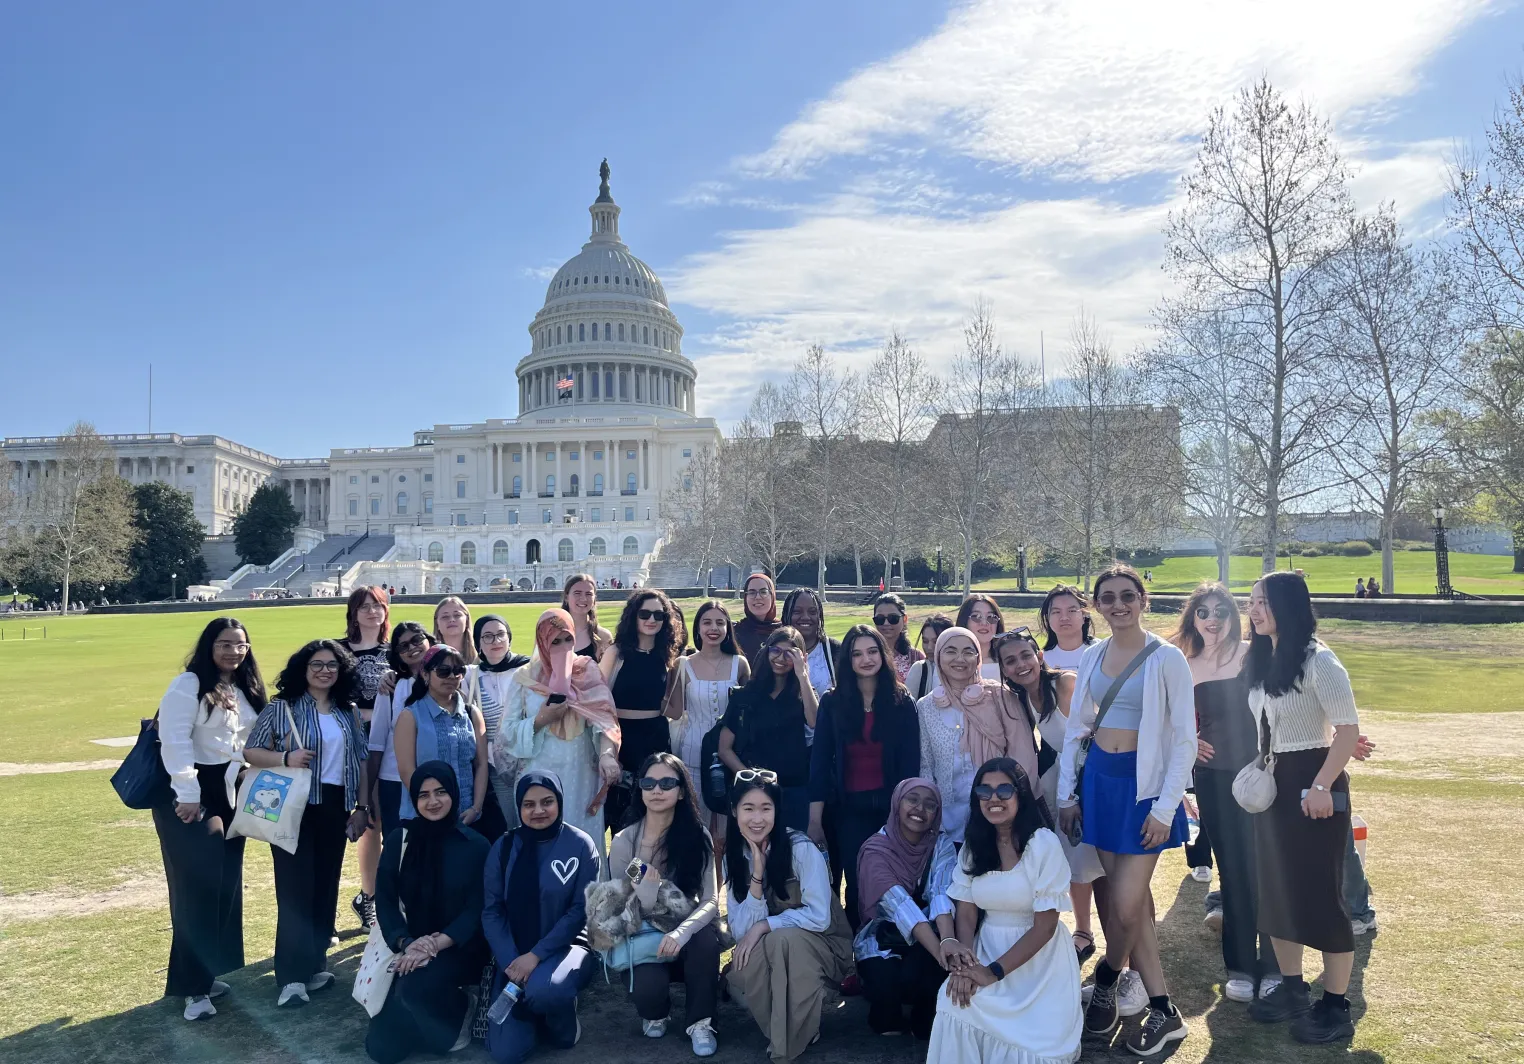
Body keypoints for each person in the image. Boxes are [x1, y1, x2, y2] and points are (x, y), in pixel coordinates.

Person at [1055, 565, 1195, 1054]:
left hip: (1144, 791)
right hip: (1100, 784)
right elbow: (1077, 730)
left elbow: (1184, 741)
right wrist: (1067, 796)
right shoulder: (1094, 655)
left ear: (1143, 600)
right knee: (1123, 904)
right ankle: (1162, 1010)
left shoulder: (1167, 658)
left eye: (1127, 596)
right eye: (1108, 597)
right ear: (1097, 605)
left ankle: (1109, 976)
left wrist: (1164, 808)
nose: (1119, 605)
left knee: (1127, 904)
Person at [1244, 572, 1362, 1044]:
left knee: (1320, 893)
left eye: (1263, 603)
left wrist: (1320, 783)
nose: (1254, 612)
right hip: (1274, 783)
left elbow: (1347, 732)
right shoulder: (1265, 658)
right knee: (1276, 892)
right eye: (1250, 603)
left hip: (1312, 784)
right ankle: (1292, 989)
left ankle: (1335, 1005)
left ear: (1288, 606)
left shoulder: (1320, 660)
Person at [1166, 582, 1281, 1005]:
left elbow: (1287, 702)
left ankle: (1274, 965)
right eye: (1203, 612)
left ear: (1236, 616)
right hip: (1213, 777)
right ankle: (1240, 966)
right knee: (1232, 869)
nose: (1212, 619)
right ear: (1192, 617)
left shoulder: (1256, 652)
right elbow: (1163, 719)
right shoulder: (1182, 662)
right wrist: (1191, 740)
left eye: (1221, 611)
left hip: (1262, 773)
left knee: (1266, 867)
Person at [928, 758, 1082, 1064]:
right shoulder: (974, 845)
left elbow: (1045, 926)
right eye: (984, 791)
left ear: (1021, 795)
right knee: (953, 1002)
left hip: (1040, 965)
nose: (993, 798)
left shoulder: (1043, 844)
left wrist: (992, 972)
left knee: (1037, 1046)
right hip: (986, 949)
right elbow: (967, 912)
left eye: (1004, 790)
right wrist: (965, 966)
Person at [243, 639, 371, 1007]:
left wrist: (361, 807)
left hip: (334, 807)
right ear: (304, 668)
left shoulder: (347, 712)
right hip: (294, 807)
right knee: (295, 890)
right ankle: (291, 977)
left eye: (332, 665)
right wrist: (286, 755)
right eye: (317, 664)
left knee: (324, 887)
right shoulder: (283, 707)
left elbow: (361, 761)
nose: (325, 671)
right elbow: (251, 750)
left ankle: (314, 965)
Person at [153, 618, 266, 1021]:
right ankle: (193, 989)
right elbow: (174, 739)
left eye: (240, 644)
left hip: (231, 790)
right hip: (192, 793)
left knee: (224, 887)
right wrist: (187, 793)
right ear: (209, 646)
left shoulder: (246, 687)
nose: (233, 651)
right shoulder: (188, 684)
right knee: (198, 889)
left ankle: (205, 973)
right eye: (224, 644)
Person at [992, 629, 1107, 967]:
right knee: (1074, 858)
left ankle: (1121, 950)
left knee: (1100, 865)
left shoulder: (1065, 685)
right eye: (1010, 661)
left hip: (1091, 778)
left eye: (1026, 655)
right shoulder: (1021, 699)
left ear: (1039, 657)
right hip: (1061, 778)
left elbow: (1095, 737)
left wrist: (1076, 793)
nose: (1020, 664)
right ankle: (1084, 931)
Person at [724, 772, 854, 1064]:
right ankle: (787, 1030)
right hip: (772, 951)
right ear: (734, 811)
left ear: (777, 811)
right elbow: (740, 931)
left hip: (826, 948)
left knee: (782, 940)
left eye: (766, 809)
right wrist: (757, 873)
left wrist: (764, 925)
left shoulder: (802, 849)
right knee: (761, 951)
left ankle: (789, 1041)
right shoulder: (733, 857)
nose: (757, 818)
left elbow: (820, 918)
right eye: (748, 808)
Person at [365, 762, 490, 1064]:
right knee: (381, 1050)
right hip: (407, 947)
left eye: (440, 792)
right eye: (423, 795)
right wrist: (407, 943)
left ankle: (462, 1006)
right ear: (414, 799)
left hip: (458, 948)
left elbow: (477, 908)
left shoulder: (476, 846)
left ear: (454, 794)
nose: (432, 802)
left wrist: (436, 944)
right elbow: (384, 899)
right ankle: (420, 1014)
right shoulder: (400, 840)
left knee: (418, 994)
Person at [605, 753, 721, 1056]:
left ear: (681, 791)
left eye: (667, 783)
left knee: (705, 942)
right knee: (647, 994)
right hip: (643, 935)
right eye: (649, 783)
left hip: (687, 929)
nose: (657, 790)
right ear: (640, 789)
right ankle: (657, 1012)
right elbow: (621, 908)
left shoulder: (698, 836)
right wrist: (648, 892)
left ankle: (700, 1022)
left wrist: (681, 933)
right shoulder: (623, 843)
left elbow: (710, 900)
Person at [482, 771, 600, 1064]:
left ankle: (560, 1013)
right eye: (528, 804)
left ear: (559, 802)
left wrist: (535, 956)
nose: (538, 811)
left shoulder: (580, 845)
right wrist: (512, 961)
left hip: (566, 947)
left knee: (547, 996)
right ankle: (533, 1012)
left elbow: (579, 911)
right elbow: (492, 910)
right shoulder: (505, 847)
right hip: (514, 955)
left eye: (547, 802)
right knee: (506, 1053)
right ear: (519, 807)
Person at [808, 625, 921, 926]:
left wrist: (905, 816)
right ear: (848, 660)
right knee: (856, 884)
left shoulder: (901, 702)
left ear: (883, 655)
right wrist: (814, 820)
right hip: (848, 810)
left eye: (872, 651)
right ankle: (856, 954)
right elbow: (819, 762)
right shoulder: (832, 703)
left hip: (891, 810)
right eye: (857, 654)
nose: (866, 659)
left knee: (886, 883)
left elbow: (911, 766)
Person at [501, 609, 622, 856]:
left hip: (581, 776)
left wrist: (607, 755)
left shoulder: (587, 671)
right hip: (538, 775)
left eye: (568, 639)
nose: (564, 647)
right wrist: (542, 719)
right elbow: (507, 733)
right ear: (542, 642)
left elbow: (603, 719)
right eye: (555, 641)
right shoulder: (524, 679)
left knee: (581, 843)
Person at [853, 778, 958, 1038]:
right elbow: (900, 906)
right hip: (883, 938)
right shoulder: (875, 850)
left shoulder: (941, 844)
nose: (920, 809)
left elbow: (940, 895)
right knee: (886, 982)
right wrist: (942, 955)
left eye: (930, 804)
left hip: (927, 936)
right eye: (912, 800)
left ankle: (926, 1014)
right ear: (897, 804)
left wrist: (947, 941)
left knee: (929, 974)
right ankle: (885, 1013)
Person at [916, 627, 1040, 845]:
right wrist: (931, 816)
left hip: (999, 814)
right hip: (947, 821)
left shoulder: (1000, 697)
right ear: (938, 655)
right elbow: (926, 765)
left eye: (968, 652)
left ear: (978, 657)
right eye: (951, 651)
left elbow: (1023, 758)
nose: (960, 659)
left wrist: (1012, 806)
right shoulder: (926, 707)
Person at [666, 601, 751, 865]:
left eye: (719, 622)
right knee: (697, 825)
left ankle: (729, 888)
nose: (713, 628)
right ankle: (702, 891)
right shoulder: (684, 665)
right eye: (707, 622)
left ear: (728, 628)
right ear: (698, 628)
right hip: (692, 752)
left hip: (730, 754)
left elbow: (748, 714)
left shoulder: (740, 665)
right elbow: (674, 711)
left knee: (728, 829)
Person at [395, 646, 500, 841]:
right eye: (443, 671)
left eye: (458, 671)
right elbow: (407, 771)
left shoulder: (472, 713)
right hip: (424, 817)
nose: (452, 676)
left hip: (467, 817)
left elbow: (481, 764)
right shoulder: (410, 716)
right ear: (425, 674)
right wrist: (432, 807)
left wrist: (476, 808)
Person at [718, 627, 818, 830]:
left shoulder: (805, 695)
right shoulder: (745, 695)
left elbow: (815, 722)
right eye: (775, 650)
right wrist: (750, 779)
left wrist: (803, 675)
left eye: (789, 653)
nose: (781, 658)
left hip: (794, 791)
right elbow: (724, 748)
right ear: (766, 650)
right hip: (754, 793)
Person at [601, 589, 683, 832]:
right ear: (633, 617)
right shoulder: (616, 653)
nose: (651, 620)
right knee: (619, 814)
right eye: (645, 613)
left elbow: (672, 707)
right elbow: (598, 701)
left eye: (659, 615)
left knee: (655, 813)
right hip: (621, 739)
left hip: (655, 737)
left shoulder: (667, 655)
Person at [343, 586, 392, 931]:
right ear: (353, 613)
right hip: (353, 741)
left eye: (377, 605)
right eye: (364, 606)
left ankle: (381, 897)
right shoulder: (340, 651)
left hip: (390, 741)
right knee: (368, 823)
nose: (372, 611)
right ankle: (369, 897)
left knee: (386, 821)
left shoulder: (395, 650)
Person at [367, 623, 433, 837]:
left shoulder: (450, 677)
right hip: (394, 781)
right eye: (403, 646)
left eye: (416, 639)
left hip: (437, 779)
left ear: (428, 639)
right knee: (398, 850)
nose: (412, 648)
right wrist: (368, 795)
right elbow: (376, 743)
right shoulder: (392, 687)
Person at [475, 614, 530, 827]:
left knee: (535, 819)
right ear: (478, 643)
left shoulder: (527, 669)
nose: (496, 641)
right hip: (496, 766)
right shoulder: (471, 677)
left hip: (529, 760)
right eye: (487, 637)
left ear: (509, 638)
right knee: (513, 824)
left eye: (500, 635)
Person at [780, 586, 840, 699]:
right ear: (787, 614)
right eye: (797, 612)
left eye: (812, 612)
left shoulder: (835, 650)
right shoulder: (774, 651)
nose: (806, 617)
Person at [1039, 585, 1096, 673]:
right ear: (1048, 618)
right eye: (1056, 612)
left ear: (1084, 615)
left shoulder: (1102, 651)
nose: (1064, 618)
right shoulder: (1041, 661)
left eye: (1072, 611)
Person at [871, 592, 924, 681]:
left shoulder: (916, 657)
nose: (886, 623)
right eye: (880, 619)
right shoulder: (866, 655)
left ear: (905, 619)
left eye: (893, 618)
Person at [903, 613, 954, 703]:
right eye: (925, 641)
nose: (929, 647)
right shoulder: (919, 669)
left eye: (936, 641)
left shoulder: (961, 668)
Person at [561, 573, 611, 660]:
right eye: (577, 593)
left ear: (594, 599)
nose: (583, 598)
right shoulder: (550, 632)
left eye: (588, 594)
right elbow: (536, 668)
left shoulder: (603, 637)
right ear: (566, 597)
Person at [955, 594, 1005, 679]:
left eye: (991, 617)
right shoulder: (951, 663)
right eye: (976, 616)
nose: (984, 623)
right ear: (964, 621)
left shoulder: (1007, 662)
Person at [734, 572, 781, 662]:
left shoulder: (783, 632)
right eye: (752, 592)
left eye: (763, 592)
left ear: (772, 596)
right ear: (745, 597)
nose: (758, 597)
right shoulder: (735, 632)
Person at [433, 596, 478, 665]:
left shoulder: (482, 654)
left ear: (467, 620)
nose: (451, 620)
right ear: (437, 623)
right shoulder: (429, 656)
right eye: (445, 617)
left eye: (457, 615)